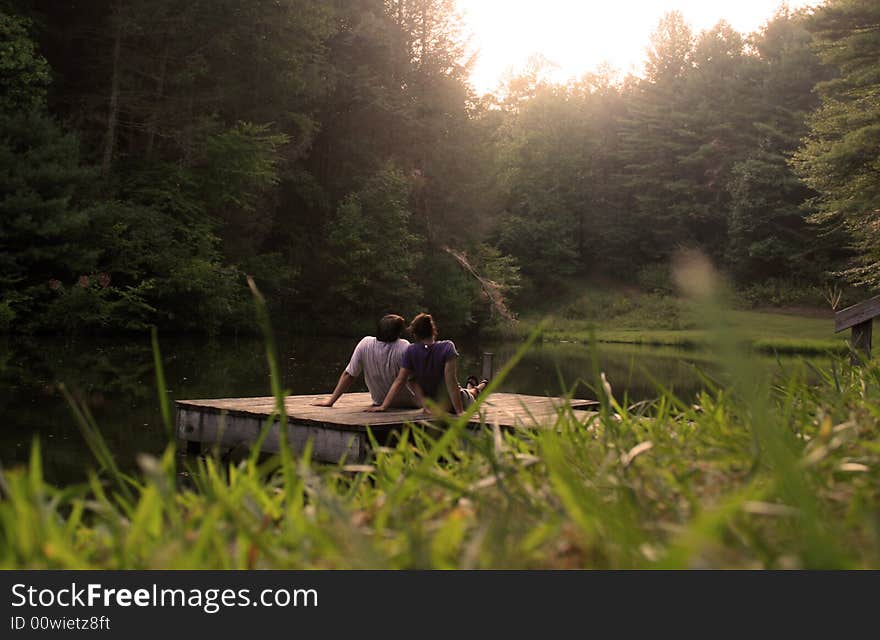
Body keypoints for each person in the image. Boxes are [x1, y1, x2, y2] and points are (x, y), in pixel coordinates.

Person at [366, 313, 486, 415]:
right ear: (433, 331)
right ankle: (477, 385)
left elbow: (401, 380)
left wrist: (383, 406)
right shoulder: (447, 347)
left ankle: (478, 386)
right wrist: (458, 411)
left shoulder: (411, 351)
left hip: (453, 402)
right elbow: (451, 380)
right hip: (453, 401)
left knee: (470, 393)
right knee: (467, 393)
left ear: (415, 334)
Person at [311, 314, 417, 408]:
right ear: (399, 332)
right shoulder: (404, 346)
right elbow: (413, 378)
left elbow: (349, 375)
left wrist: (331, 401)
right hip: (409, 403)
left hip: (380, 401)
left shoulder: (365, 343)